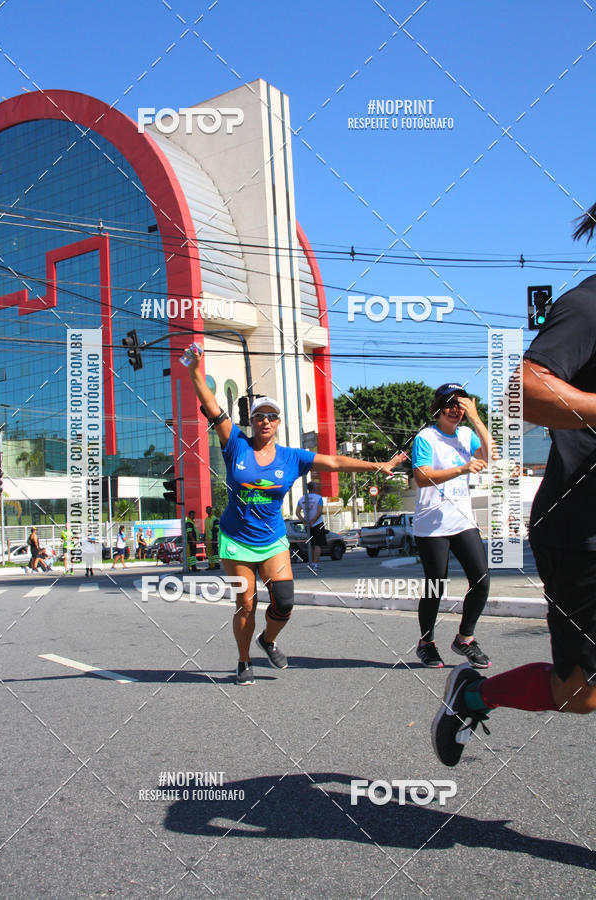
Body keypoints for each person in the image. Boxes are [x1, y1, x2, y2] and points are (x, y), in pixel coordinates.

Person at [432, 205, 596, 767]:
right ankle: (473, 692)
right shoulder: (589, 304)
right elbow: (522, 391)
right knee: (578, 694)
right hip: (581, 531)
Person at [187, 345, 406, 685]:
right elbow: (213, 407)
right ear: (252, 420)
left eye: (272, 416)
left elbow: (333, 462)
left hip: (272, 539)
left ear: (278, 423)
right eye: (260, 416)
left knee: (285, 602)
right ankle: (244, 661)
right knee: (246, 604)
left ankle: (268, 640)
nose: (265, 421)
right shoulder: (236, 444)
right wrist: (195, 371)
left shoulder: (292, 457)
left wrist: (379, 464)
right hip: (235, 539)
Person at [412, 383, 495, 669]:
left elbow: (491, 455)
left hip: (463, 522)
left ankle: (465, 639)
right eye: (448, 403)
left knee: (482, 580)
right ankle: (426, 643)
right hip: (431, 526)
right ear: (437, 408)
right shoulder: (427, 437)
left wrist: (475, 416)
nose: (454, 409)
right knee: (436, 585)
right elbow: (422, 477)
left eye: (460, 404)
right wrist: (461, 468)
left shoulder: (467, 434)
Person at [296, 481, 326, 572]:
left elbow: (297, 513)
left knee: (311, 545)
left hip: (307, 525)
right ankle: (315, 564)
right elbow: (320, 511)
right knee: (318, 545)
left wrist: (304, 521)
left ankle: (312, 563)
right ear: (314, 488)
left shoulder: (301, 499)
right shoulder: (318, 498)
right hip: (317, 524)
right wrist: (313, 521)